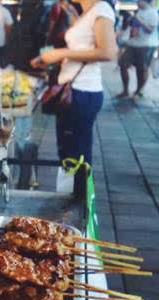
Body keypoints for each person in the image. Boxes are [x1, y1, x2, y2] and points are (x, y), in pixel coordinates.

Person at [31, 0, 117, 194]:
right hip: (74, 90)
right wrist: (52, 58)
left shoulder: (101, 9)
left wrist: (60, 53)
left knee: (76, 157)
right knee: (69, 154)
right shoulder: (85, 12)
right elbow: (84, 50)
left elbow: (108, 51)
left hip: (81, 93)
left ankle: (77, 208)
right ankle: (70, 201)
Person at [116, 0, 158, 98]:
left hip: (146, 45)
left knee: (141, 70)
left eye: (139, 0)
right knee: (123, 65)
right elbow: (133, 27)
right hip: (133, 43)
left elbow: (150, 30)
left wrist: (139, 21)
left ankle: (138, 91)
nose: (137, 2)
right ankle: (125, 90)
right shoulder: (139, 11)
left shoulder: (153, 13)